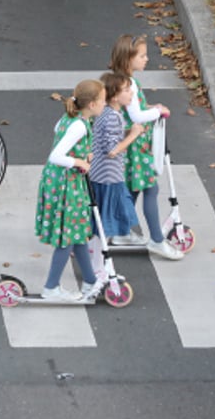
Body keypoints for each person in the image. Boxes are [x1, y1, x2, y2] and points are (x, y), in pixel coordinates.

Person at [109, 33, 181, 259]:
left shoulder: (125, 81)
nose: (146, 59)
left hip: (133, 145)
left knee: (133, 188)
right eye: (142, 55)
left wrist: (151, 105)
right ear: (127, 58)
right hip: (135, 146)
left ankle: (122, 231)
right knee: (151, 188)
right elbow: (137, 114)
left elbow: (135, 107)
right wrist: (158, 111)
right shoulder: (128, 83)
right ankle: (157, 241)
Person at [35, 79, 105, 301]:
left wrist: (84, 156)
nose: (105, 103)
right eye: (103, 100)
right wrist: (79, 163)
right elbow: (56, 155)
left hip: (64, 183)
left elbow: (63, 139)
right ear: (92, 104)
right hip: (66, 186)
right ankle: (51, 288)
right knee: (67, 236)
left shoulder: (71, 119)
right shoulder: (79, 125)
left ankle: (90, 282)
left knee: (78, 233)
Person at [90, 71, 144, 244]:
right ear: (114, 97)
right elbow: (112, 150)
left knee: (99, 217)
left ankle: (89, 247)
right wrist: (133, 135)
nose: (132, 93)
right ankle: (97, 256)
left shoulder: (105, 113)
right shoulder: (113, 117)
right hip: (109, 177)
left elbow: (109, 137)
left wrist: (127, 132)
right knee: (107, 220)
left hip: (99, 174)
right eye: (126, 90)